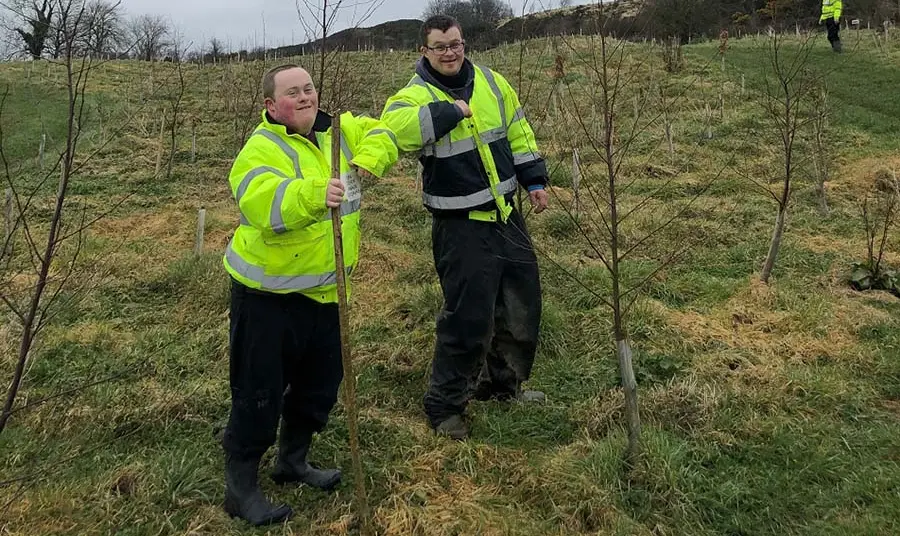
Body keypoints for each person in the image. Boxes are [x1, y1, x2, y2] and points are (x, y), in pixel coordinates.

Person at [221, 64, 397, 526]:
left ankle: (293, 460)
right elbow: (264, 203)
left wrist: (368, 159)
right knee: (259, 393)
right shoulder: (259, 150)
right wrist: (318, 193)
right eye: (291, 92)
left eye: (309, 89)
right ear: (269, 105)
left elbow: (383, 130)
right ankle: (241, 487)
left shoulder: (339, 131)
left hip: (328, 293)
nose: (304, 98)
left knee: (319, 387)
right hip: (267, 299)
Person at [381, 15, 549, 441]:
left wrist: (534, 180)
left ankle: (503, 386)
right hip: (461, 227)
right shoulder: (411, 96)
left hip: (508, 217)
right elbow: (396, 130)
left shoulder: (493, 83)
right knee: (467, 320)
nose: (450, 52)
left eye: (455, 44)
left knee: (519, 306)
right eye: (440, 46)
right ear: (425, 51)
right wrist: (448, 112)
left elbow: (519, 131)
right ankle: (445, 406)